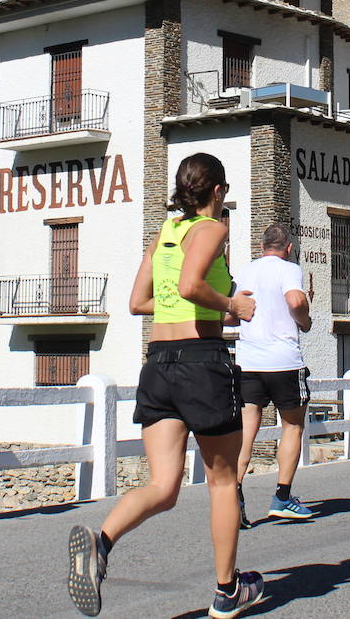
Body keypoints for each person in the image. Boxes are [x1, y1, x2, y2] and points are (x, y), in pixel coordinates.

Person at [67, 153, 264, 619]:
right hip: (201, 362)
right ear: (217, 191)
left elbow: (138, 302)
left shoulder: (165, 233)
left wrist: (186, 299)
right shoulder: (213, 229)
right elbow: (194, 285)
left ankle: (101, 542)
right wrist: (230, 305)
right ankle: (226, 591)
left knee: (163, 485)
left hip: (159, 365)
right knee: (222, 481)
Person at [234, 223, 313, 529]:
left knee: (245, 432)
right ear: (289, 248)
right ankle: (282, 498)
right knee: (292, 426)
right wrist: (304, 321)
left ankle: (234, 496)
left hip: (249, 361)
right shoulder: (288, 268)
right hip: (283, 362)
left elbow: (233, 312)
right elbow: (295, 301)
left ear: (261, 246)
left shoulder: (246, 270)